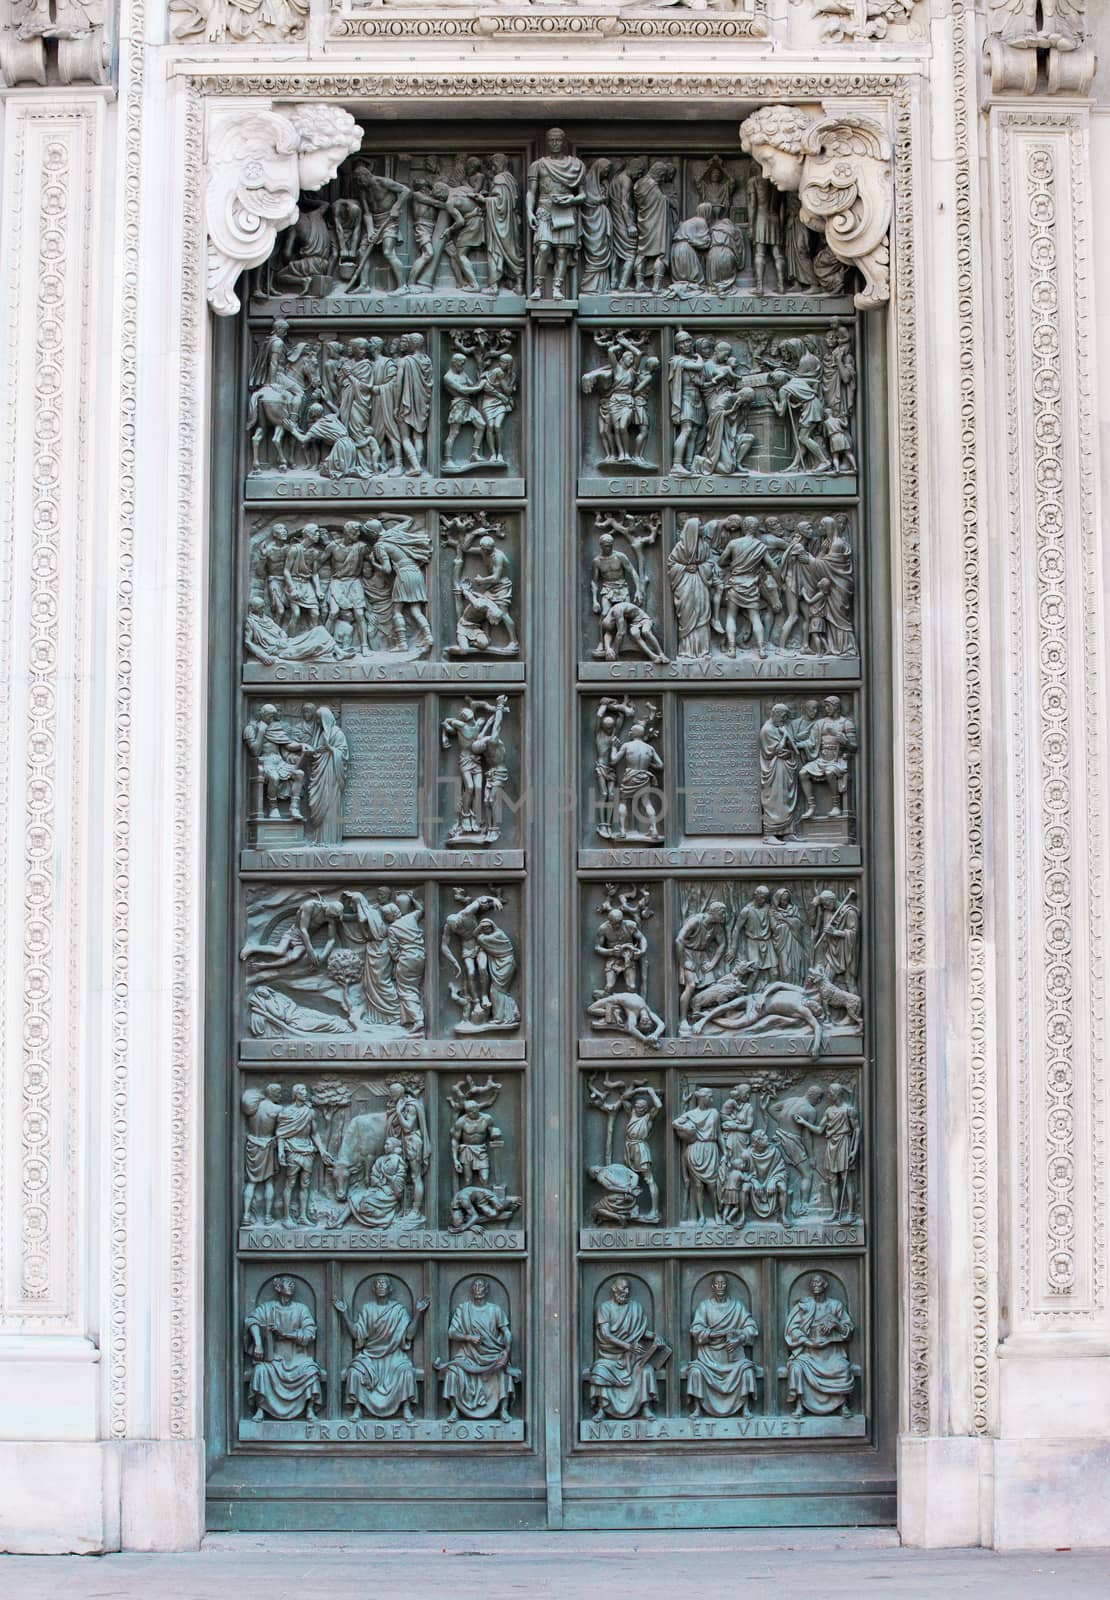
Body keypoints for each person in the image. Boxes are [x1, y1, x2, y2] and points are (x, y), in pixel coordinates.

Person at [335, 1277, 427, 1421]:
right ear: (373, 1289)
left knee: (406, 1371)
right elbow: (356, 1334)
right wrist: (344, 1313)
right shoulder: (368, 1309)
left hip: (394, 1356)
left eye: (384, 1283)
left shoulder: (398, 1310)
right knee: (355, 1371)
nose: (380, 1286)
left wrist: (418, 1313)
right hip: (370, 1356)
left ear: (390, 1289)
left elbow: (409, 1335)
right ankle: (358, 1408)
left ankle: (406, 1408)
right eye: (378, 1284)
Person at [245, 1277, 325, 1422]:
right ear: (278, 1288)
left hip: (297, 1358)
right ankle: (260, 1409)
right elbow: (252, 1320)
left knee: (311, 1370)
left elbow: (309, 1333)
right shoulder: (268, 1308)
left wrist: (285, 1334)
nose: (291, 1285)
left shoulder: (301, 1309)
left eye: (293, 1283)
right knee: (261, 1370)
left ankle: (309, 1409)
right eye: (287, 1283)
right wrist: (258, 1343)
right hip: (274, 1358)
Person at [586, 1277, 666, 1421]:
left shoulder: (636, 1307)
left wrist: (654, 1337)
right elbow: (606, 1334)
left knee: (646, 1370)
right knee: (600, 1370)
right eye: (623, 1288)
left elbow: (641, 1332)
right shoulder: (605, 1308)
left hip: (632, 1358)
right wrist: (629, 1346)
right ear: (614, 1289)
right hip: (610, 1356)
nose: (626, 1292)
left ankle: (645, 1407)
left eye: (628, 1289)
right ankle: (602, 1408)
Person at [437, 1278, 517, 1422]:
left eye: (481, 1286)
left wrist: (506, 1351)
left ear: (486, 1290)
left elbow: (507, 1333)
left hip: (491, 1355)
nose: (478, 1289)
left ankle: (503, 1410)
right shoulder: (463, 1310)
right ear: (472, 1290)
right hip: (468, 1356)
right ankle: (454, 1409)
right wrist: (468, 1337)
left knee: (504, 1373)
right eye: (475, 1286)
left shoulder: (495, 1310)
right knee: (453, 1372)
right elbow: (451, 1333)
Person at [683, 1275, 759, 1419]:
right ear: (713, 1287)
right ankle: (697, 1408)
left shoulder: (737, 1306)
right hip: (709, 1358)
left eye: (723, 1283)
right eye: (717, 1284)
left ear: (726, 1286)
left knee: (747, 1369)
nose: (720, 1286)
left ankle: (745, 1408)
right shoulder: (704, 1306)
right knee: (695, 1371)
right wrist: (715, 1334)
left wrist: (740, 1338)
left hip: (733, 1358)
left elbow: (751, 1327)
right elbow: (696, 1329)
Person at [526, 126, 586, 301]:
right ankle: (538, 287)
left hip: (566, 210)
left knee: (561, 252)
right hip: (544, 208)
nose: (555, 144)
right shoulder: (538, 165)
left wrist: (572, 200)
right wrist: (529, 212)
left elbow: (583, 194)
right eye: (551, 140)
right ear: (547, 143)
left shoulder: (575, 165)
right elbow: (531, 191)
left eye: (558, 140)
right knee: (543, 248)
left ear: (564, 142)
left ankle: (557, 287)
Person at [784, 1273, 855, 1417]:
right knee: (796, 1367)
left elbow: (848, 1330)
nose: (815, 1285)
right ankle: (799, 1405)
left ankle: (843, 1405)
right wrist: (806, 1341)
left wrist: (836, 1323)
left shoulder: (836, 1306)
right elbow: (792, 1329)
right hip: (809, 1353)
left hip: (832, 1353)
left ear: (825, 1285)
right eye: (813, 1283)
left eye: (819, 1282)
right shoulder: (804, 1306)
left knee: (843, 1367)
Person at [275, 1083, 332, 1228]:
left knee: (305, 1185)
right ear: (295, 1094)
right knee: (290, 1183)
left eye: (305, 1090)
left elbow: (314, 1133)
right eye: (301, 1090)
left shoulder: (309, 1112)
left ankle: (302, 1216)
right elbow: (281, 1134)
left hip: (307, 1150)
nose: (304, 1093)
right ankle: (287, 1217)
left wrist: (322, 1150)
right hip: (293, 1150)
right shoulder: (286, 1112)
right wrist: (281, 1151)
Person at [675, 900, 728, 1035]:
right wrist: (684, 963)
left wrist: (713, 963)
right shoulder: (695, 921)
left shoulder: (717, 926)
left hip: (702, 957)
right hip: (688, 955)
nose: (724, 916)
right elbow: (679, 940)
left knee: (713, 986)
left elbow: (722, 944)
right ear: (713, 912)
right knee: (691, 985)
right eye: (722, 913)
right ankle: (683, 1020)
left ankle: (708, 1018)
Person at [673, 1086, 723, 1225]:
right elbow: (675, 1123)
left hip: (711, 1148)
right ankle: (701, 1216)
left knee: (712, 1185)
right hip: (695, 1149)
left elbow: (719, 1134)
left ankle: (716, 1214)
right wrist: (687, 1129)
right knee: (698, 1185)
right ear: (702, 1097)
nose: (712, 1099)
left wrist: (725, 1153)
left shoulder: (714, 1113)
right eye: (709, 1096)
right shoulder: (691, 1114)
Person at [241, 1082, 283, 1227]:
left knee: (251, 1183)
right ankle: (267, 1216)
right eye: (278, 1093)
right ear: (272, 1094)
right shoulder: (277, 1109)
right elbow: (280, 1132)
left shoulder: (254, 1107)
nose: (281, 1096)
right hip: (267, 1147)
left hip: (252, 1145)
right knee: (269, 1183)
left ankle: (246, 1215)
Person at [484, 152, 524, 294]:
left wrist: (484, 200)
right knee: (513, 250)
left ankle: (494, 286)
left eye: (494, 165)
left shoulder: (500, 178)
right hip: (511, 222)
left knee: (496, 249)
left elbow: (499, 201)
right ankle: (517, 283)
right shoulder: (511, 179)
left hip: (501, 222)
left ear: (501, 164)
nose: (493, 169)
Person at [760, 703, 799, 839]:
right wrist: (784, 736)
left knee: (784, 800)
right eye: (782, 717)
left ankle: (787, 832)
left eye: (786, 718)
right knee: (774, 800)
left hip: (784, 768)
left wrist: (789, 753)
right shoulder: (767, 730)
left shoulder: (779, 727)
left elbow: (789, 750)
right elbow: (777, 750)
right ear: (775, 713)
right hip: (774, 770)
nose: (784, 720)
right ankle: (770, 834)